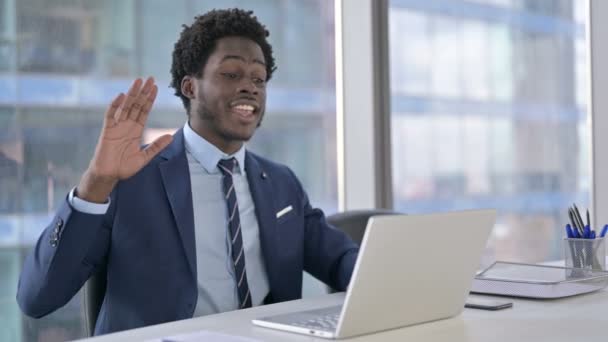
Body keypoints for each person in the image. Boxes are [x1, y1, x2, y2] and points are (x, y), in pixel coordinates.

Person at [16, 8, 358, 335]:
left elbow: (340, 259)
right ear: (190, 87)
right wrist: (97, 181)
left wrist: (389, 281)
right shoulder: (130, 180)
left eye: (259, 78)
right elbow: (37, 298)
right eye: (231, 74)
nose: (250, 86)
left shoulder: (281, 183)